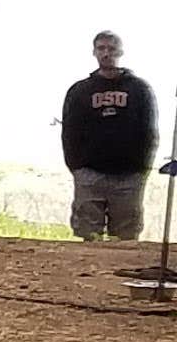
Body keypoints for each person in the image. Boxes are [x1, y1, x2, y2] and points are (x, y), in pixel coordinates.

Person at [62, 31, 160, 241]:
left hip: (128, 176)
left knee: (126, 238)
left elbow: (149, 132)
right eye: (101, 48)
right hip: (89, 175)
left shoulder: (139, 89)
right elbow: (70, 132)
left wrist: (142, 167)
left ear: (121, 52)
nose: (106, 53)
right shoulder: (80, 91)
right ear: (94, 52)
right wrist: (77, 168)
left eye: (112, 49)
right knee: (89, 235)